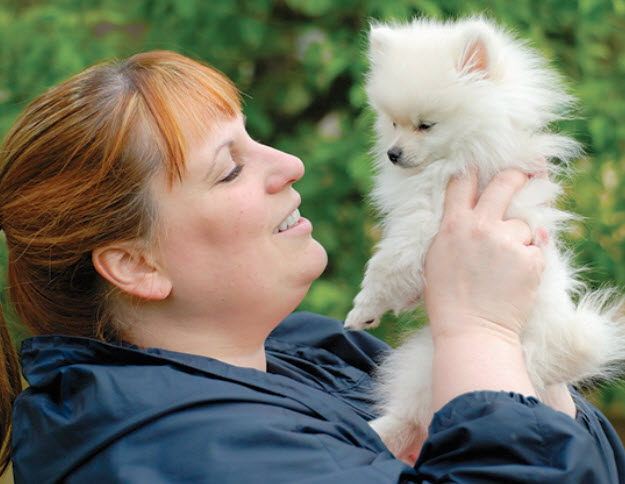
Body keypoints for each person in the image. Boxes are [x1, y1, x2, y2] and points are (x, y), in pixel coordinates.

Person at [0, 50, 623, 483]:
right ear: (135, 264)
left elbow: (591, 461)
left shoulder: (310, 349)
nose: (290, 163)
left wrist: (524, 335)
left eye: (254, 135)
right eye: (231, 167)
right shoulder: (182, 455)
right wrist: (479, 332)